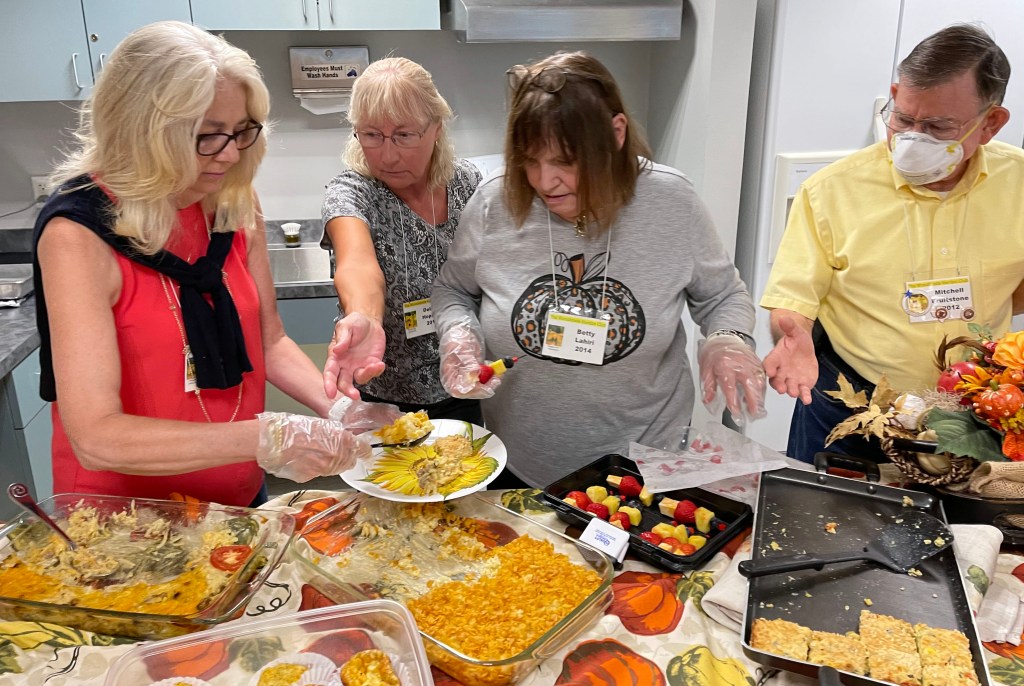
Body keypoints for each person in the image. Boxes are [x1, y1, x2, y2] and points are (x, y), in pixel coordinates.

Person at [32, 21, 381, 508]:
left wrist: (342, 411)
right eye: (208, 135)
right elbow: (96, 436)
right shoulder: (78, 234)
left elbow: (270, 342)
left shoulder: (233, 202)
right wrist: (266, 438)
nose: (232, 153)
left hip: (236, 498)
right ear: (139, 131)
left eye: (241, 131)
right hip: (127, 518)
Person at [431, 51, 766, 488]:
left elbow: (722, 296)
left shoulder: (671, 201)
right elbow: (454, 290)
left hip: (644, 462)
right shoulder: (496, 200)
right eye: (530, 160)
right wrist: (458, 333)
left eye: (565, 161)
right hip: (519, 462)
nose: (544, 181)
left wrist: (728, 339)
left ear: (616, 134)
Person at [761, 23, 1024, 463]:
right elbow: (793, 301)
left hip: (977, 414)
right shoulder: (831, 191)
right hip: (851, 407)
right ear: (895, 95)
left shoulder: (1018, 182)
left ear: (990, 123)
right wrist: (795, 337)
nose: (912, 138)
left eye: (938, 126)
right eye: (902, 118)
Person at [320, 57, 483, 425]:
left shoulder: (468, 184)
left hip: (464, 386)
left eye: (404, 135)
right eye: (371, 135)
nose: (388, 155)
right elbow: (357, 265)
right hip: (382, 398)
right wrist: (363, 317)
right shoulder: (352, 193)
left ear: (436, 128)